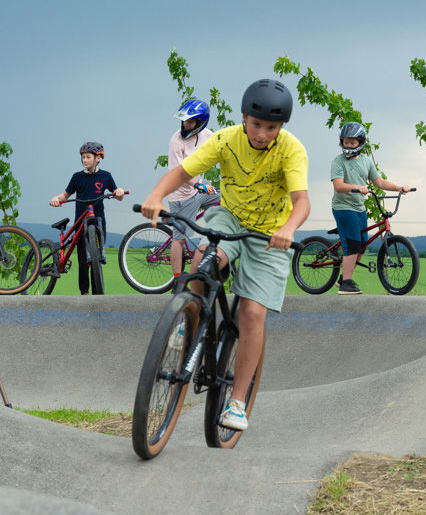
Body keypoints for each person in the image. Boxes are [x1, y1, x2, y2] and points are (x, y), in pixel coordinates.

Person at [140, 78, 310, 431]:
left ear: (281, 127)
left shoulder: (291, 150)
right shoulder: (225, 139)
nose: (262, 134)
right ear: (244, 117)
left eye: (272, 127)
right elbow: (182, 172)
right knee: (203, 260)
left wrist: (289, 229)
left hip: (270, 233)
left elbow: (302, 201)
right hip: (230, 217)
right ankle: (189, 320)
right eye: (257, 124)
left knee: (251, 313)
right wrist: (156, 196)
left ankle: (237, 402)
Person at [330, 122, 411, 295]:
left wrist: (399, 188)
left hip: (359, 208)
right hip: (343, 207)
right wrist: (357, 187)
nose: (348, 145)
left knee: (362, 245)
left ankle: (344, 277)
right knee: (353, 245)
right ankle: (346, 284)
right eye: (346, 142)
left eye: (352, 142)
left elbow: (379, 182)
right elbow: (338, 185)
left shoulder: (366, 161)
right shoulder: (338, 161)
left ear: (360, 143)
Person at [49, 141, 126, 295]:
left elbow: (118, 195)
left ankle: (97, 294)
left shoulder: (106, 176)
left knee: (96, 258)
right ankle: (84, 292)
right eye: (83, 157)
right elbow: (65, 195)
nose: (85, 160)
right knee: (83, 259)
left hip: (98, 221)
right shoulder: (77, 177)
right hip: (81, 221)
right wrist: (56, 199)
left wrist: (120, 191)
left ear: (98, 158)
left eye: (88, 157)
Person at [166, 99, 220, 280]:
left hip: (199, 192)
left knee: (228, 197)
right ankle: (177, 280)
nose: (186, 125)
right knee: (180, 239)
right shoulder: (176, 141)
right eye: (184, 121)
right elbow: (178, 172)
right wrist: (197, 184)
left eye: (190, 122)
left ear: (200, 122)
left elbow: (222, 149)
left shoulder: (207, 135)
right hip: (181, 196)